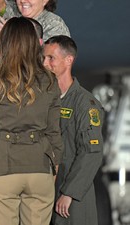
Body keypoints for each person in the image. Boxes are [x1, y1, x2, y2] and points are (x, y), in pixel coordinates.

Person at [0, 17, 64, 225]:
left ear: (5, 42)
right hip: (40, 169)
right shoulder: (49, 80)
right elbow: (54, 134)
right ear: (33, 43)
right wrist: (52, 175)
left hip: (1, 169)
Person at [43, 35, 104, 225]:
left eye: (51, 58)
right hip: (45, 191)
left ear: (68, 60)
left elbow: (91, 152)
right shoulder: (44, 99)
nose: (45, 63)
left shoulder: (86, 104)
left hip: (71, 196)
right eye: (43, 58)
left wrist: (69, 192)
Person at [0, 0, 70, 41]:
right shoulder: (13, 13)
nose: (22, 0)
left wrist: (11, 37)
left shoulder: (54, 25)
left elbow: (45, 62)